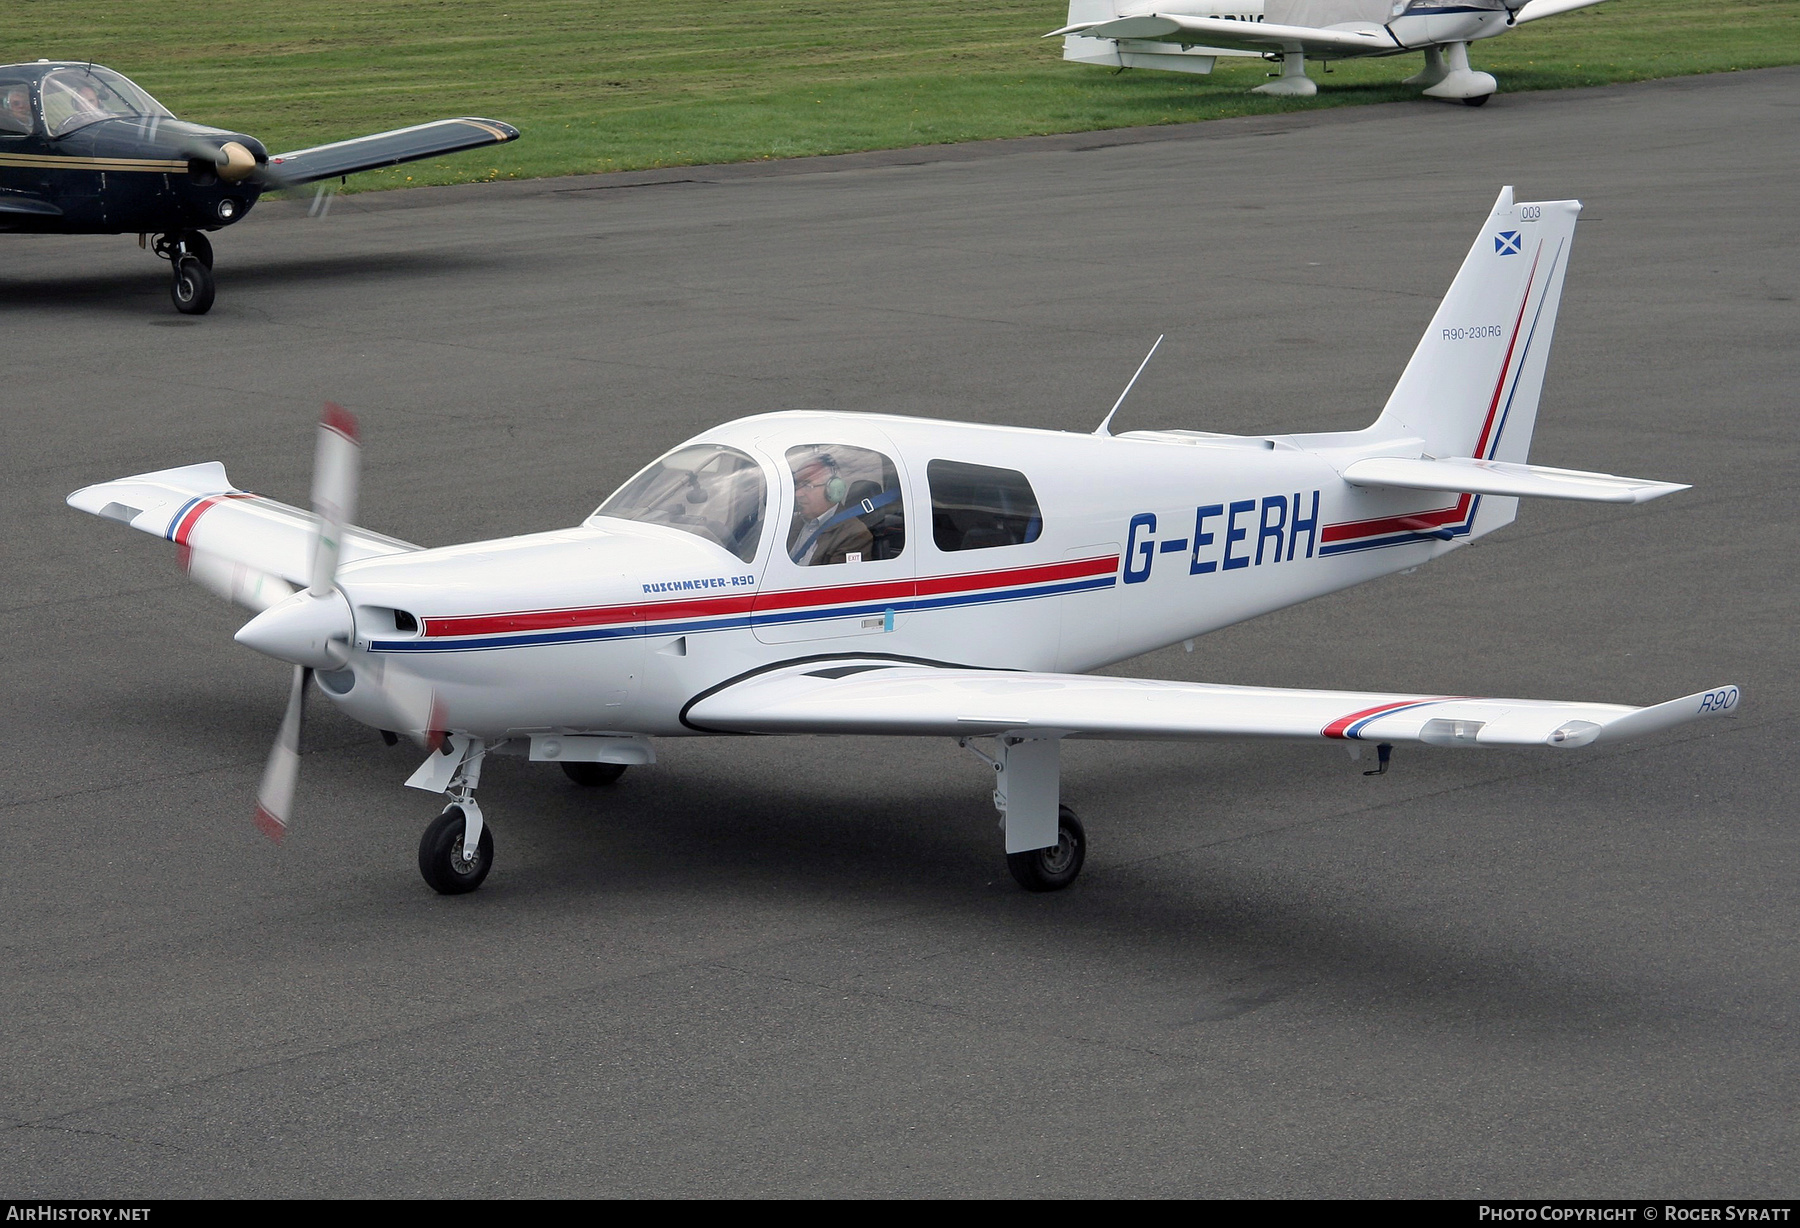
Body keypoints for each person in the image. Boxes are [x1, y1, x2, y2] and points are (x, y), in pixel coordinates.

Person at [787, 453, 873, 566]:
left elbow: (837, 580)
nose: (798, 493)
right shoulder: (791, 523)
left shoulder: (853, 534)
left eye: (807, 485)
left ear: (832, 490)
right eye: (797, 486)